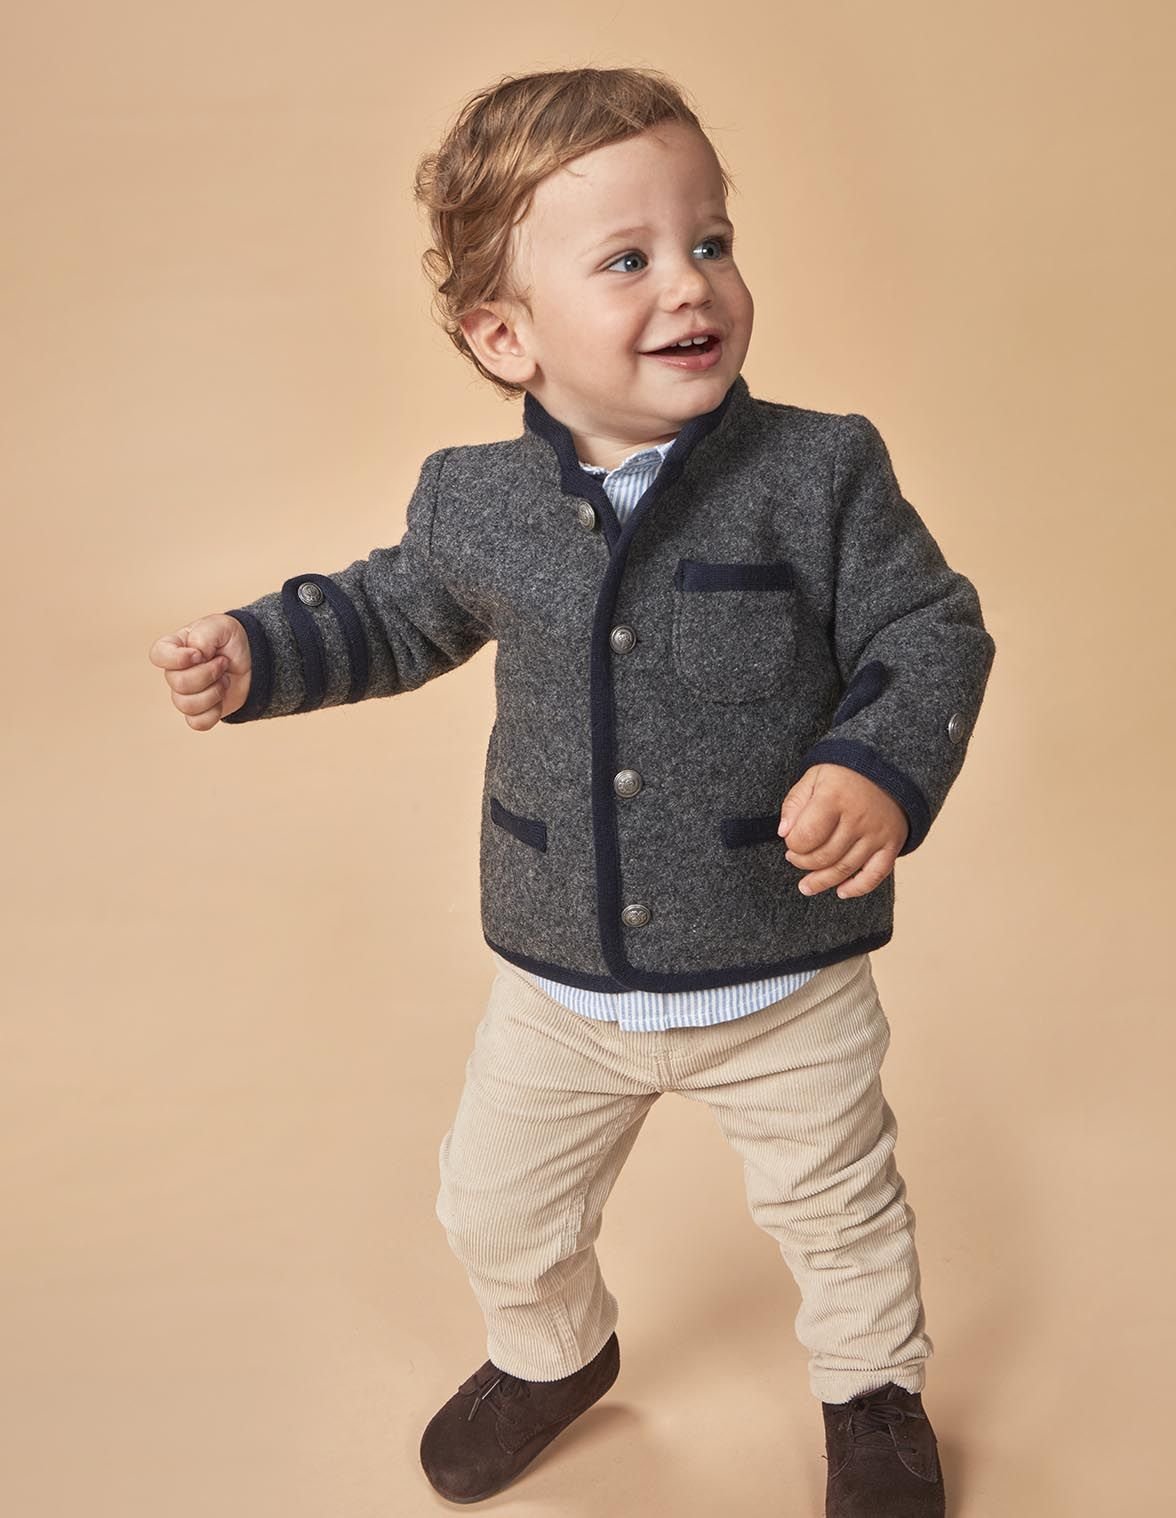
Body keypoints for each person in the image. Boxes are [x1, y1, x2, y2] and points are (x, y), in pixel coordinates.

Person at [148, 66, 995, 1517]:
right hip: (560, 983)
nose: (691, 283)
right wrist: (257, 651)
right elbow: (392, 613)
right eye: (628, 259)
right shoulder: (473, 499)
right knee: (493, 1206)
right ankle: (552, 1354)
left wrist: (878, 766)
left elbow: (931, 630)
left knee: (842, 1214)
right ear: (506, 335)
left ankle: (872, 1394)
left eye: (710, 240)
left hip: (784, 968)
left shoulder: (819, 470)